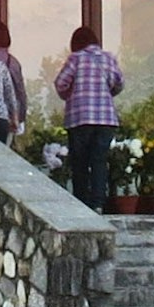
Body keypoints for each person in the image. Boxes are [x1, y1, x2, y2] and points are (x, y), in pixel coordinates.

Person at [52, 25, 123, 210]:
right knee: (99, 160)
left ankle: (81, 203)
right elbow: (119, 83)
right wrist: (107, 93)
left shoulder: (75, 59)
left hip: (79, 118)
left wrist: (70, 95)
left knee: (80, 161)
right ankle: (98, 203)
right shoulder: (109, 58)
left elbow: (60, 83)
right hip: (106, 119)